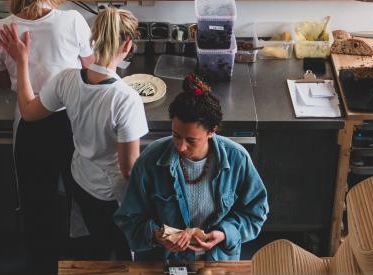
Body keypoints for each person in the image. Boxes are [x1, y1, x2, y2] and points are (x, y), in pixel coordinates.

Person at [0, 7, 148, 262]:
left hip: (81, 182)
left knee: (94, 246)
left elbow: (28, 111)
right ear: (127, 46)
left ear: (93, 39)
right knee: (122, 252)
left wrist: (22, 61)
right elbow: (128, 169)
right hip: (111, 194)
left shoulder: (66, 79)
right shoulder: (126, 99)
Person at [0, 0, 94, 275]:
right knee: (80, 195)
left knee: (36, 201)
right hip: (72, 122)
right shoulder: (73, 21)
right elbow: (89, 70)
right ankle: (81, 261)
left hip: (29, 123)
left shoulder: (1, 29)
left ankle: (40, 267)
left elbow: (1, 79)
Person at [115, 74, 268, 261]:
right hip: (163, 262)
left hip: (216, 260)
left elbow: (255, 214)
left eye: (191, 140)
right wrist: (156, 235)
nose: (180, 147)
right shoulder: (150, 161)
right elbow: (129, 218)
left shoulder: (237, 159)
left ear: (212, 131)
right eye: (176, 136)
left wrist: (225, 233)